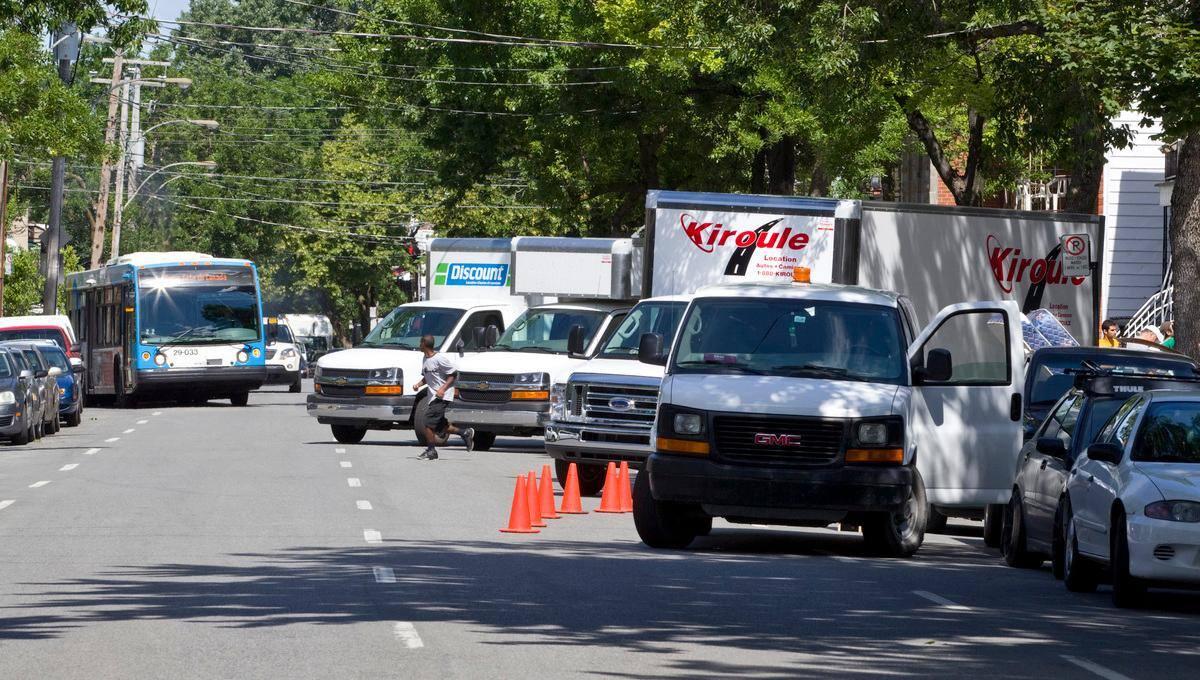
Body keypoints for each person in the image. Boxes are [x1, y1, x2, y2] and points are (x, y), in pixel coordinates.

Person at [411, 334, 474, 460]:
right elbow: (428, 376)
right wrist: (419, 384)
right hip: (433, 396)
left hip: (442, 396)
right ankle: (465, 433)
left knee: (427, 422)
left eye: (420, 343)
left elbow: (453, 374)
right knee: (440, 426)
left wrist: (442, 389)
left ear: (424, 344)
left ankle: (431, 450)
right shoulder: (425, 358)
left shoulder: (439, 359)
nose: (419, 345)